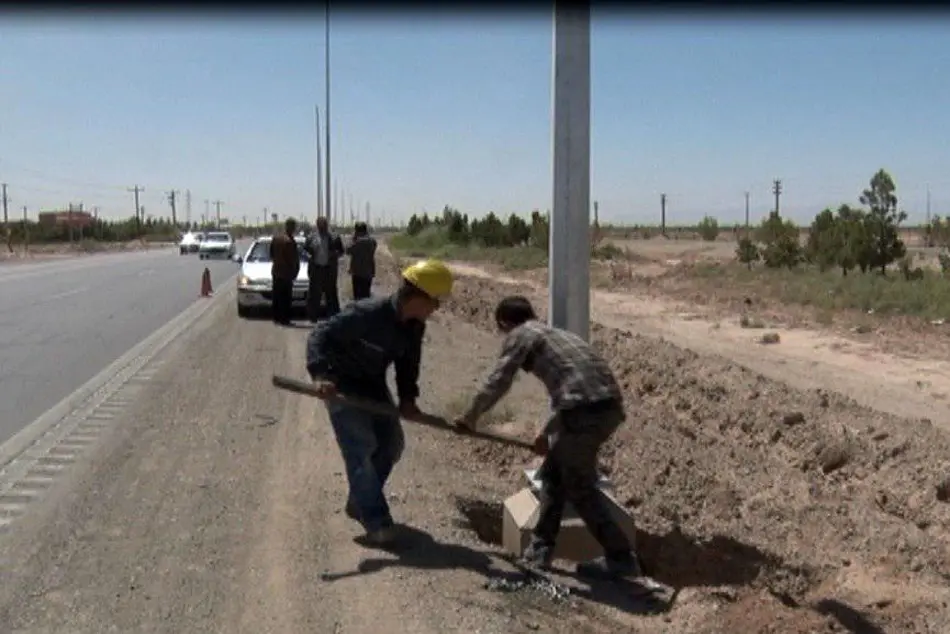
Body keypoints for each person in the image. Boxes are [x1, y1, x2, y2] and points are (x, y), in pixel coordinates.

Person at [454, 295, 641, 581]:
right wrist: (546, 431)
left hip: (583, 412)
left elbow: (499, 380)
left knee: (577, 486)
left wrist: (470, 416)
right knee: (554, 476)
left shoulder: (521, 334)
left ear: (504, 322)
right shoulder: (556, 334)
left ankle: (621, 558)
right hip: (606, 409)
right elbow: (574, 390)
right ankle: (540, 553)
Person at [306, 259, 454, 546]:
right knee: (360, 449)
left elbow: (408, 364)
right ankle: (376, 520)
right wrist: (321, 375)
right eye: (434, 302)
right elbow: (319, 335)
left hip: (372, 385)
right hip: (341, 385)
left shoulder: (413, 327)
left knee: (391, 445)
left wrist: (408, 399)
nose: (436, 309)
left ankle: (359, 500)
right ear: (418, 296)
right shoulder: (367, 314)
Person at [303, 216, 345, 322]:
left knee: (331, 294)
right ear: (317, 225)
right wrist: (309, 255)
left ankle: (333, 317)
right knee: (314, 295)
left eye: (324, 225)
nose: (322, 227)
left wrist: (335, 254)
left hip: (329, 269)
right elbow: (305, 251)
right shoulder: (311, 237)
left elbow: (341, 252)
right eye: (320, 225)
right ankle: (312, 317)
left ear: (327, 225)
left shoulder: (335, 237)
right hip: (316, 269)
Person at [269, 217, 300, 326]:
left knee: (276, 296)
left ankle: (276, 318)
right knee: (286, 297)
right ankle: (285, 319)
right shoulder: (290, 241)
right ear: (292, 227)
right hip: (286, 273)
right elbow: (293, 259)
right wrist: (295, 271)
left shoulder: (276, 238)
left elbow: (271, 254)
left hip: (276, 271)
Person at [346, 221, 377, 300]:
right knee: (366, 295)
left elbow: (347, 250)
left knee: (357, 297)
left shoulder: (357, 242)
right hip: (368, 272)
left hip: (358, 273)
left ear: (357, 231)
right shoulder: (372, 241)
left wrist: (353, 239)